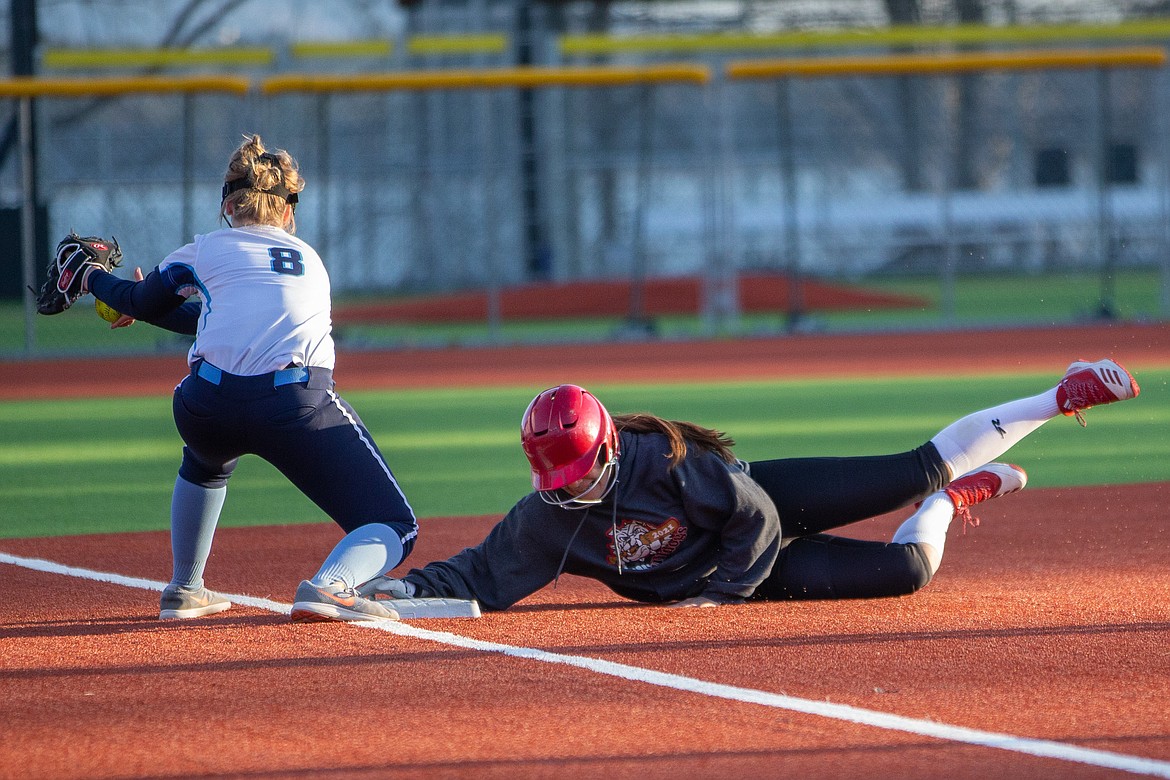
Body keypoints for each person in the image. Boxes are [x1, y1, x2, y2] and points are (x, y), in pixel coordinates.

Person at [338, 358, 1139, 616]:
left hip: (756, 518)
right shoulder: (550, 514)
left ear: (610, 446)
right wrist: (398, 591)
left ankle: (1055, 398)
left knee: (913, 468)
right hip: (728, 575)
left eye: (579, 471)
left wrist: (722, 594)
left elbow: (751, 518)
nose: (567, 489)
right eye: (554, 477)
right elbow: (477, 573)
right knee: (905, 575)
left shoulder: (669, 462)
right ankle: (956, 504)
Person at [77, 134, 418, 621]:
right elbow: (234, 320)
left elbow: (145, 303)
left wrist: (89, 277)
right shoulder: (309, 260)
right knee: (394, 523)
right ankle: (331, 586)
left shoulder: (204, 250)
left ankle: (184, 588)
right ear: (286, 209)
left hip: (207, 408)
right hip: (294, 408)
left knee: (206, 458)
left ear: (227, 206)